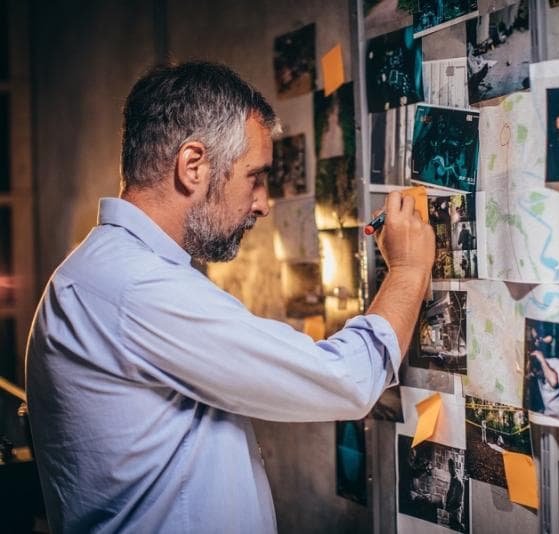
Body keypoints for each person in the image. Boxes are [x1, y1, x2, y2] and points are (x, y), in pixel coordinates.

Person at [25, 62, 435, 533]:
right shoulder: (137, 288)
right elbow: (346, 380)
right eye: (255, 177)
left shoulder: (101, 272)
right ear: (193, 165)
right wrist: (408, 268)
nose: (262, 203)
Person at [445, 458, 464, 532]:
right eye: (448, 467)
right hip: (452, 509)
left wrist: (448, 505)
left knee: (455, 529)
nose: (449, 469)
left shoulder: (457, 481)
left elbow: (455, 497)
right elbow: (450, 492)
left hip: (455, 509)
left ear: (453, 467)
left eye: (450, 467)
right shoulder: (452, 478)